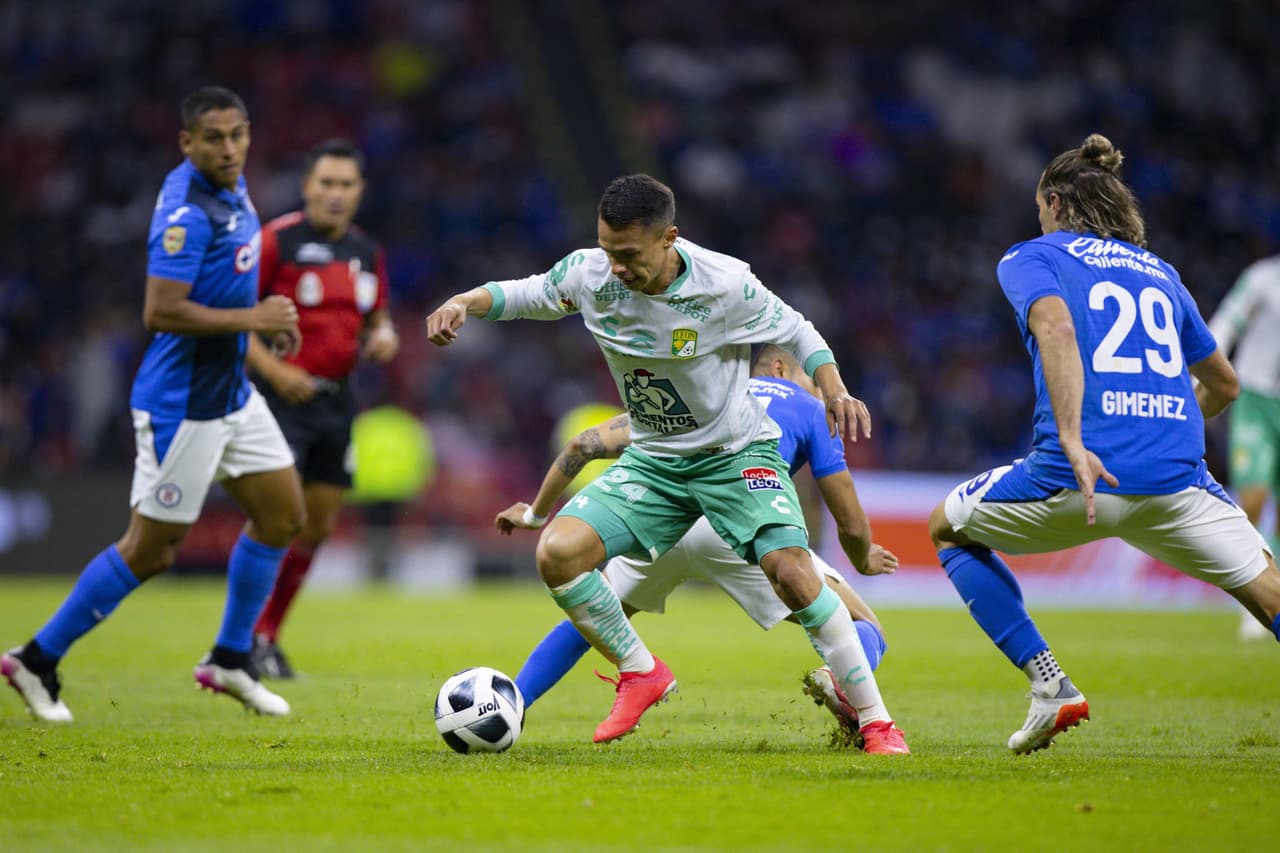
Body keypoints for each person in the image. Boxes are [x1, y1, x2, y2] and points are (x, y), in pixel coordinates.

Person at [427, 174, 908, 752]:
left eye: (628, 255)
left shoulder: (725, 284)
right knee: (557, 555)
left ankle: (878, 723)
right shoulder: (591, 273)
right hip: (655, 461)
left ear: (669, 239)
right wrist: (463, 302)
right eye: (608, 251)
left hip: (733, 456)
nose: (617, 267)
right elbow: (520, 294)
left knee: (793, 572)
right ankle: (641, 671)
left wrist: (833, 389)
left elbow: (800, 332)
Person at [927, 134, 1280, 755]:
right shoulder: (1162, 273)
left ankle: (1050, 685)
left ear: (1057, 203)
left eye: (1041, 208)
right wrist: (1170, 427)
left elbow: (1058, 325)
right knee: (1269, 592)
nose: (1038, 219)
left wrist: (1070, 437)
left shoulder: (1031, 257)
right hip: (1179, 485)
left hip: (1074, 476)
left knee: (948, 529)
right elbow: (1224, 383)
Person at [1, 86, 305, 722]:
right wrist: (255, 315)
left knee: (282, 514)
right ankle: (37, 658)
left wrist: (257, 325)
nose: (228, 148)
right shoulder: (187, 212)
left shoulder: (233, 188)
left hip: (232, 393)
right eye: (214, 138)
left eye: (237, 134)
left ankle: (229, 656)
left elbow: (226, 279)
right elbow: (160, 310)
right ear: (186, 143)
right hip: (183, 404)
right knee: (152, 550)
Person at [495, 344, 903, 751]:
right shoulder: (811, 408)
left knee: (595, 614)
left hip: (667, 516)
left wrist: (535, 512)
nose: (817, 389)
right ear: (780, 367)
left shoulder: (701, 395)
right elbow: (845, 510)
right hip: (739, 519)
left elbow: (584, 444)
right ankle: (846, 686)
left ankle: (512, 701)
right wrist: (862, 556)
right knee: (862, 624)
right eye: (811, 378)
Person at [245, 139, 399, 679]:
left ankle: (265, 635)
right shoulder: (276, 242)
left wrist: (384, 335)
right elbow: (235, 322)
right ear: (307, 186)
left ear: (359, 192)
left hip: (338, 401)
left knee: (316, 526)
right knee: (276, 520)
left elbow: (376, 315)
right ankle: (237, 640)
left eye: (346, 185)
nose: (335, 194)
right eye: (326, 183)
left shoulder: (366, 250)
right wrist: (276, 371)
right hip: (277, 403)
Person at [1207, 256, 1280, 640]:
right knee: (1252, 499)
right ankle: (1251, 599)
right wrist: (1200, 367)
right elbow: (1225, 323)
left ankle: (1274, 597)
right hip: (1255, 400)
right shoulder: (1262, 278)